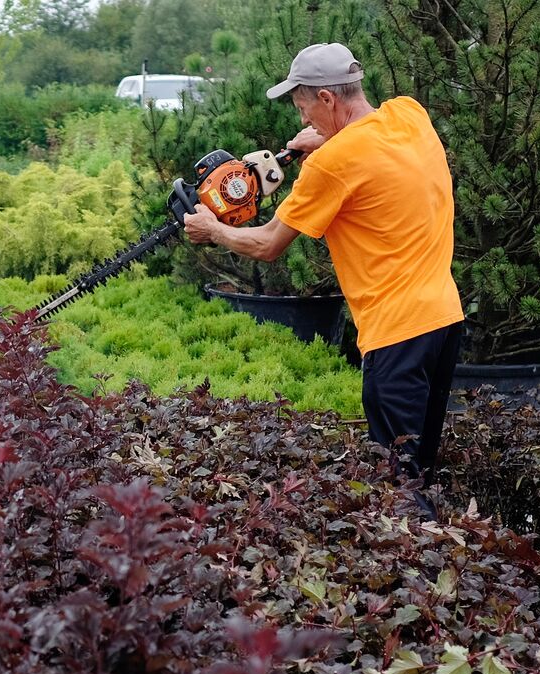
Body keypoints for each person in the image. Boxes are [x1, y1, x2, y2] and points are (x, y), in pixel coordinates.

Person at [184, 42, 464, 513]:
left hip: (395, 336)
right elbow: (372, 146)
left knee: (399, 488)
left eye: (305, 108)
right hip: (444, 322)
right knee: (422, 470)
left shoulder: (331, 166)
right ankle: (451, 568)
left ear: (328, 100)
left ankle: (416, 577)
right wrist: (333, 137)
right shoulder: (408, 115)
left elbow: (268, 244)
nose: (304, 120)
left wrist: (212, 230)